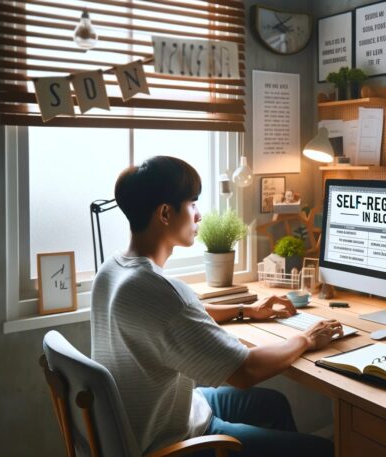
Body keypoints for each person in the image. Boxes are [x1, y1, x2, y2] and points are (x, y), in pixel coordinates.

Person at [91, 156, 342, 457]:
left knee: (274, 404)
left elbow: (181, 319)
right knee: (323, 450)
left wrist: (246, 310)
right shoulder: (162, 293)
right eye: (193, 203)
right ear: (165, 213)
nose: (199, 215)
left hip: (166, 415)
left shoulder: (113, 270)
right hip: (173, 442)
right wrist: (307, 338)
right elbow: (245, 372)